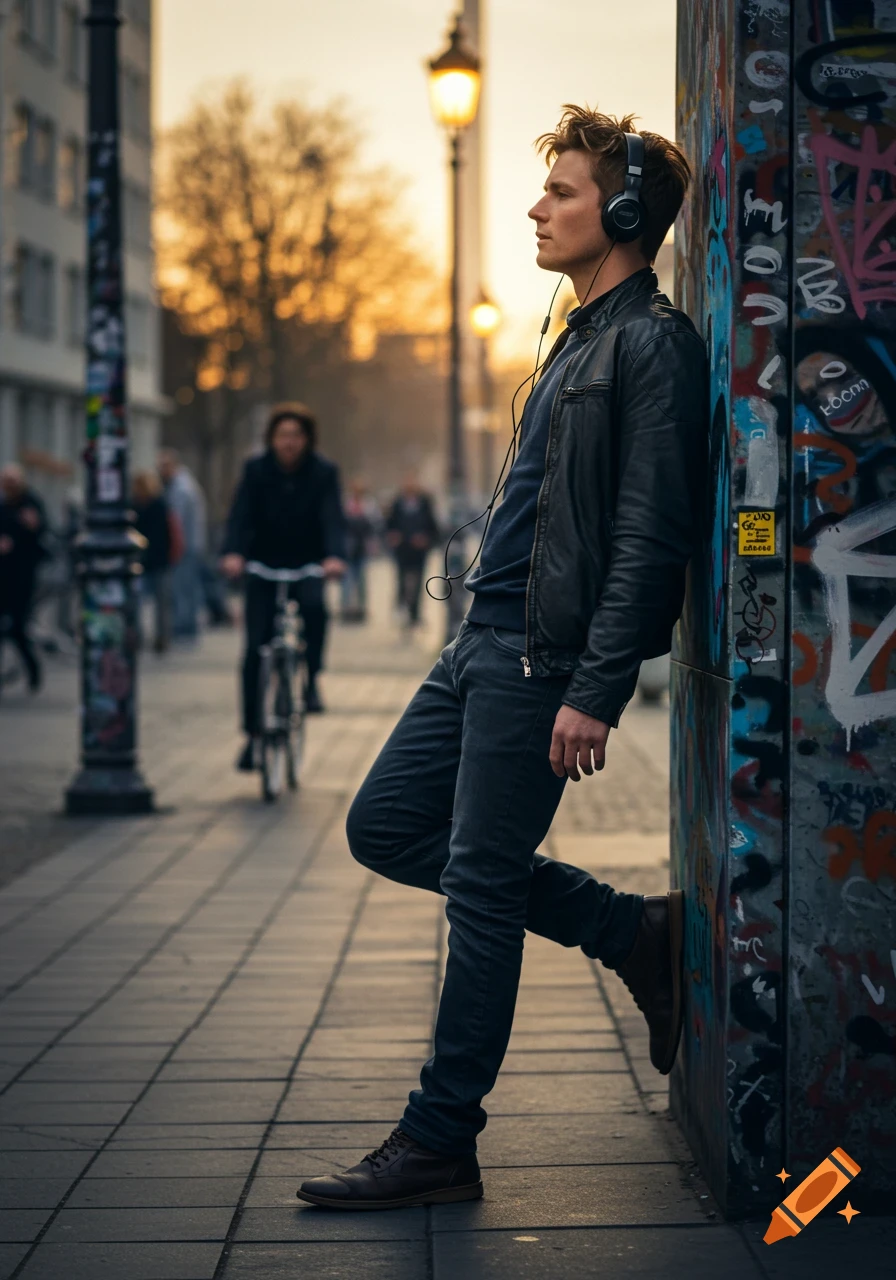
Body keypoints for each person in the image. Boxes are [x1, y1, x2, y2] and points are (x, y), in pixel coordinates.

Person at [296, 107, 707, 1210]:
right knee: (383, 823)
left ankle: (439, 1136)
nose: (537, 206)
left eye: (562, 190)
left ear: (621, 212)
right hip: (479, 641)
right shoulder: (576, 334)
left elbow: (647, 536)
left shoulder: (651, 346)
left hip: (538, 663)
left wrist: (596, 688)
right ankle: (630, 928)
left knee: (477, 885)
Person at [221, 402, 346, 767]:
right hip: (262, 565)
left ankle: (311, 681)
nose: (289, 443)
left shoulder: (323, 472)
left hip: (307, 564)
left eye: (296, 436)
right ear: (272, 439)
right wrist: (232, 553)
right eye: (282, 436)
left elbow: (333, 518)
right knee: (253, 651)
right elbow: (239, 516)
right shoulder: (255, 470)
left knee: (315, 611)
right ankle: (252, 733)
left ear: (307, 439)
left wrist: (334, 556)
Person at [0, 463, 48, 693]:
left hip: (23, 575)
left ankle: (33, 671)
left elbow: (41, 533)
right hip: (3, 574)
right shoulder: (3, 505)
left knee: (18, 627)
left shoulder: (31, 503)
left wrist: (32, 527)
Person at [157, 448, 207, 643]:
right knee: (189, 587)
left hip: (185, 546)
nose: (160, 472)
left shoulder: (180, 488)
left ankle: (185, 629)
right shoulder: (186, 484)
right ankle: (188, 628)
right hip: (192, 544)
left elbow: (175, 519)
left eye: (162, 467)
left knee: (183, 588)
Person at [385, 473, 440, 627]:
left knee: (419, 581)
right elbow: (389, 524)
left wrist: (425, 539)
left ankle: (415, 614)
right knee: (402, 580)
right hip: (402, 550)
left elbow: (433, 527)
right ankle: (402, 607)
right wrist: (393, 537)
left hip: (419, 551)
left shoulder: (425, 502)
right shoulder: (397, 503)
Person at [132, 470, 172, 654]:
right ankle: (154, 638)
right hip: (152, 561)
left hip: (152, 560)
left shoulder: (155, 506)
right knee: (154, 602)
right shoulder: (150, 505)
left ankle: (157, 638)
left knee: (152, 602)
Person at [341, 477, 380, 623]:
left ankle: (362, 608)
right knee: (346, 581)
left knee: (362, 580)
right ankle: (346, 609)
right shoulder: (346, 504)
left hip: (362, 548)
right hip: (348, 548)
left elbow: (375, 525)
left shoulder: (368, 505)